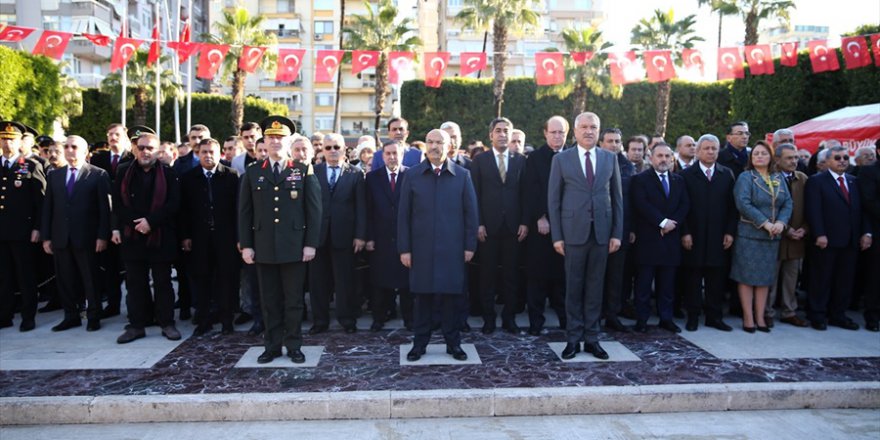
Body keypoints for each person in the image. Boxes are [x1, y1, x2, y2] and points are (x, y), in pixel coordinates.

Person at [239, 116, 321, 364]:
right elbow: (244, 213)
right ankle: (272, 346)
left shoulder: (302, 170)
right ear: (263, 141)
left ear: (288, 141)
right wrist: (247, 245)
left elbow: (314, 210)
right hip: (264, 247)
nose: (275, 141)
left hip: (294, 247)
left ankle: (294, 345)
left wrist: (310, 244)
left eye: (280, 137)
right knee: (269, 301)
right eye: (271, 137)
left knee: (294, 301)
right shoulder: (253, 173)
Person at [548, 112, 623, 360]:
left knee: (595, 288)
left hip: (602, 234)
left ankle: (592, 339)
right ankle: (572, 339)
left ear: (598, 131)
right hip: (572, 235)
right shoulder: (562, 160)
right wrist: (557, 236)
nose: (589, 131)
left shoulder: (609, 158)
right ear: (575, 131)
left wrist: (617, 234)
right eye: (584, 127)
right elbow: (554, 200)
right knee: (573, 288)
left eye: (594, 127)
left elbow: (618, 199)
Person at [398, 129, 478, 362]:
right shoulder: (412, 175)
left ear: (449, 145)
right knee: (422, 300)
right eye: (430, 142)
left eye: (439, 142)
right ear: (425, 145)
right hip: (421, 250)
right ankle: (419, 344)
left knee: (451, 300)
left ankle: (454, 344)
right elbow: (403, 216)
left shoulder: (462, 175)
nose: (434, 146)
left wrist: (469, 246)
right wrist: (405, 249)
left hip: (452, 250)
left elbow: (471, 214)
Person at [113, 132, 183, 343]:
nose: (145, 152)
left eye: (149, 148)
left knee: (163, 283)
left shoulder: (168, 173)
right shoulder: (123, 171)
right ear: (135, 149)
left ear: (157, 151)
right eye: (141, 147)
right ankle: (136, 326)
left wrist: (150, 222)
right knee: (135, 284)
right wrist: (137, 223)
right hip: (133, 236)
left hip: (160, 236)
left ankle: (167, 323)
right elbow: (117, 204)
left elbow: (174, 204)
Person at [41, 135, 111, 332]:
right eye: (67, 146)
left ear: (85, 152)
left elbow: (105, 209)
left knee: (90, 279)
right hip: (61, 237)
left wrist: (102, 236)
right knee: (65, 279)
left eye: (74, 147)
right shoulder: (54, 175)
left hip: (87, 237)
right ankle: (71, 315)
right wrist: (46, 237)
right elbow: (48, 208)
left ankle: (94, 315)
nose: (70, 150)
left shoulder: (98, 174)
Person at [470, 117, 528, 334]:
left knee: (512, 275)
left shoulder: (520, 160)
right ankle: (488, 318)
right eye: (498, 130)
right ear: (491, 135)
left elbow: (525, 194)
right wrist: (479, 223)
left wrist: (524, 221)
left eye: (506, 130)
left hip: (514, 228)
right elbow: (474, 194)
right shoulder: (480, 161)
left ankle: (509, 317)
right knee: (487, 275)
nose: (503, 134)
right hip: (488, 228)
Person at [805, 145, 872, 331]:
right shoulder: (817, 181)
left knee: (845, 280)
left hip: (850, 240)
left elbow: (863, 210)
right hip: (826, 239)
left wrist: (866, 233)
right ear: (826, 161)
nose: (842, 161)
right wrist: (819, 233)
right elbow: (813, 210)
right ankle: (817, 314)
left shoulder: (854, 181)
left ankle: (838, 314)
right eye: (837, 158)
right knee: (821, 279)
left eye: (844, 157)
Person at [179, 138, 240, 336]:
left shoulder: (231, 175)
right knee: (202, 279)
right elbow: (184, 211)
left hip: (226, 237)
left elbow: (238, 209)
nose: (208, 155)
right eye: (204, 152)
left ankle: (226, 320)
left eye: (212, 151)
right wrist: (185, 235)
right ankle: (203, 320)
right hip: (199, 238)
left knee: (226, 280)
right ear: (198, 154)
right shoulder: (189, 178)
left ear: (219, 153)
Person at [730, 141, 792, 333]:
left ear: (771, 157)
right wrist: (765, 223)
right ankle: (748, 318)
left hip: (772, 237)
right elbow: (743, 203)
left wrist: (781, 223)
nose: (759, 156)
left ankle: (760, 317)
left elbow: (787, 203)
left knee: (765, 279)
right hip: (751, 235)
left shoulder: (778, 177)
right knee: (747, 278)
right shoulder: (746, 177)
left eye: (763, 153)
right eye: (756, 153)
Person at [308, 133, 366, 334]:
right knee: (318, 282)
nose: (333, 151)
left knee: (345, 281)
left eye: (337, 147)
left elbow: (361, 207)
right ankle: (320, 321)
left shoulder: (355, 174)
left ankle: (347, 320)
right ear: (322, 150)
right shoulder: (312, 172)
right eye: (328, 147)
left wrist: (360, 235)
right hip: (318, 237)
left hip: (345, 236)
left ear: (344, 150)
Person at [630, 143, 690, 334]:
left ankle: (666, 318)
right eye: (660, 156)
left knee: (667, 284)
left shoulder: (679, 180)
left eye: (667, 156)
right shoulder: (640, 180)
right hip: (648, 240)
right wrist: (662, 222)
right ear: (651, 158)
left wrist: (673, 223)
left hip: (671, 240)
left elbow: (684, 204)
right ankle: (642, 319)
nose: (663, 159)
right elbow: (641, 204)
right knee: (644, 284)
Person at [680, 134, 736, 332]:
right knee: (693, 278)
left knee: (716, 279)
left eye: (714, 148)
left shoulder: (726, 174)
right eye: (706, 148)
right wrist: (685, 232)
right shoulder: (686, 175)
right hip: (693, 236)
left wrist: (730, 232)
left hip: (718, 237)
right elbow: (682, 208)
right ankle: (693, 316)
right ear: (697, 151)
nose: (711, 152)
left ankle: (714, 316)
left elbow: (732, 207)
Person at [523, 116, 569, 335]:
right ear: (545, 133)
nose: (557, 136)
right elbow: (530, 190)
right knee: (538, 277)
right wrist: (540, 216)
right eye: (553, 132)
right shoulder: (534, 158)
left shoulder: (572, 156)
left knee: (563, 278)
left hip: (568, 226)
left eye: (561, 132)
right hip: (541, 228)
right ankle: (536, 322)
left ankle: (564, 319)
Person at [0, 121, 46, 332]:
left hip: (23, 231)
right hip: (2, 232)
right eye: (3, 138)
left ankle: (28, 315)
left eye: (11, 139)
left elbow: (41, 201)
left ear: (19, 141)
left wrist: (38, 227)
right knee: (4, 275)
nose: (7, 143)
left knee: (25, 275)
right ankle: (5, 314)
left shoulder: (29, 165)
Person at [365, 141, 412, 331]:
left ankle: (410, 318)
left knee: (407, 281)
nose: (392, 157)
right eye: (388, 154)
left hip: (405, 237)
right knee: (379, 280)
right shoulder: (372, 177)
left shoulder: (411, 175)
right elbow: (367, 209)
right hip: (380, 237)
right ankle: (379, 317)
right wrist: (368, 237)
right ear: (382, 156)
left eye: (395, 153)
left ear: (402, 155)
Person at [88, 123, 133, 318]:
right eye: (110, 134)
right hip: (105, 219)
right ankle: (113, 305)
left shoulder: (132, 158)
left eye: (116, 134)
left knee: (131, 268)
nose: (113, 137)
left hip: (127, 221)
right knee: (110, 267)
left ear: (125, 137)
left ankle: (135, 307)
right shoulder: (98, 159)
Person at [767, 143, 810, 328]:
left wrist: (805, 229)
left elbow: (811, 208)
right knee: (771, 278)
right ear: (777, 159)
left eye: (796, 157)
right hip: (774, 237)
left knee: (792, 278)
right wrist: (786, 229)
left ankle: (789, 312)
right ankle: (766, 311)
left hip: (797, 239)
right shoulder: (768, 178)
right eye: (789, 158)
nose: (794, 161)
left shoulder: (803, 179)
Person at [597, 127, 635, 333]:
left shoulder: (627, 166)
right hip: (595, 229)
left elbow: (629, 201)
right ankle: (595, 314)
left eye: (617, 141)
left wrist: (629, 229)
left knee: (615, 276)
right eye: (610, 141)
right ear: (601, 143)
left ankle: (612, 314)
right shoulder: (593, 162)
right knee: (595, 275)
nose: (613, 145)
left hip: (619, 229)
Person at [857, 141, 880, 332]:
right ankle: (872, 317)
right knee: (875, 276)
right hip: (876, 230)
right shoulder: (869, 172)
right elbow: (869, 202)